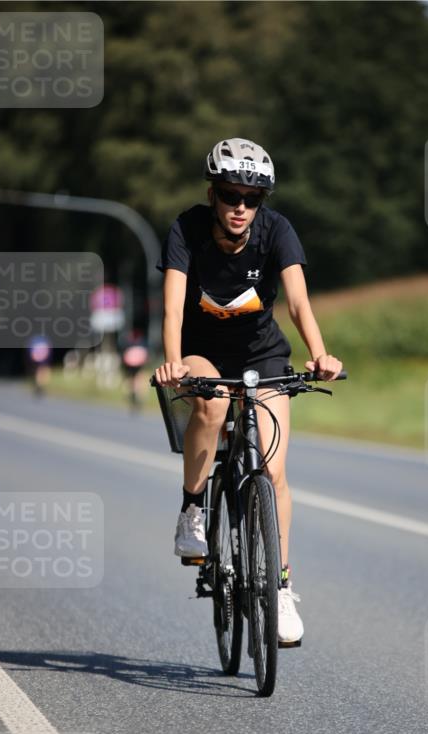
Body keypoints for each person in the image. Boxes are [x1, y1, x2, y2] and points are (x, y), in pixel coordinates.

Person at [154, 137, 342, 645]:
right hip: (201, 352)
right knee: (211, 404)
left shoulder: (277, 232)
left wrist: (320, 354)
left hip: (263, 356)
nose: (241, 208)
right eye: (231, 196)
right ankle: (193, 507)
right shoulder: (186, 230)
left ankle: (280, 589)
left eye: (252, 199)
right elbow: (172, 307)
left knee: (274, 471)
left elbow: (299, 303)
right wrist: (172, 361)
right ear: (213, 194)